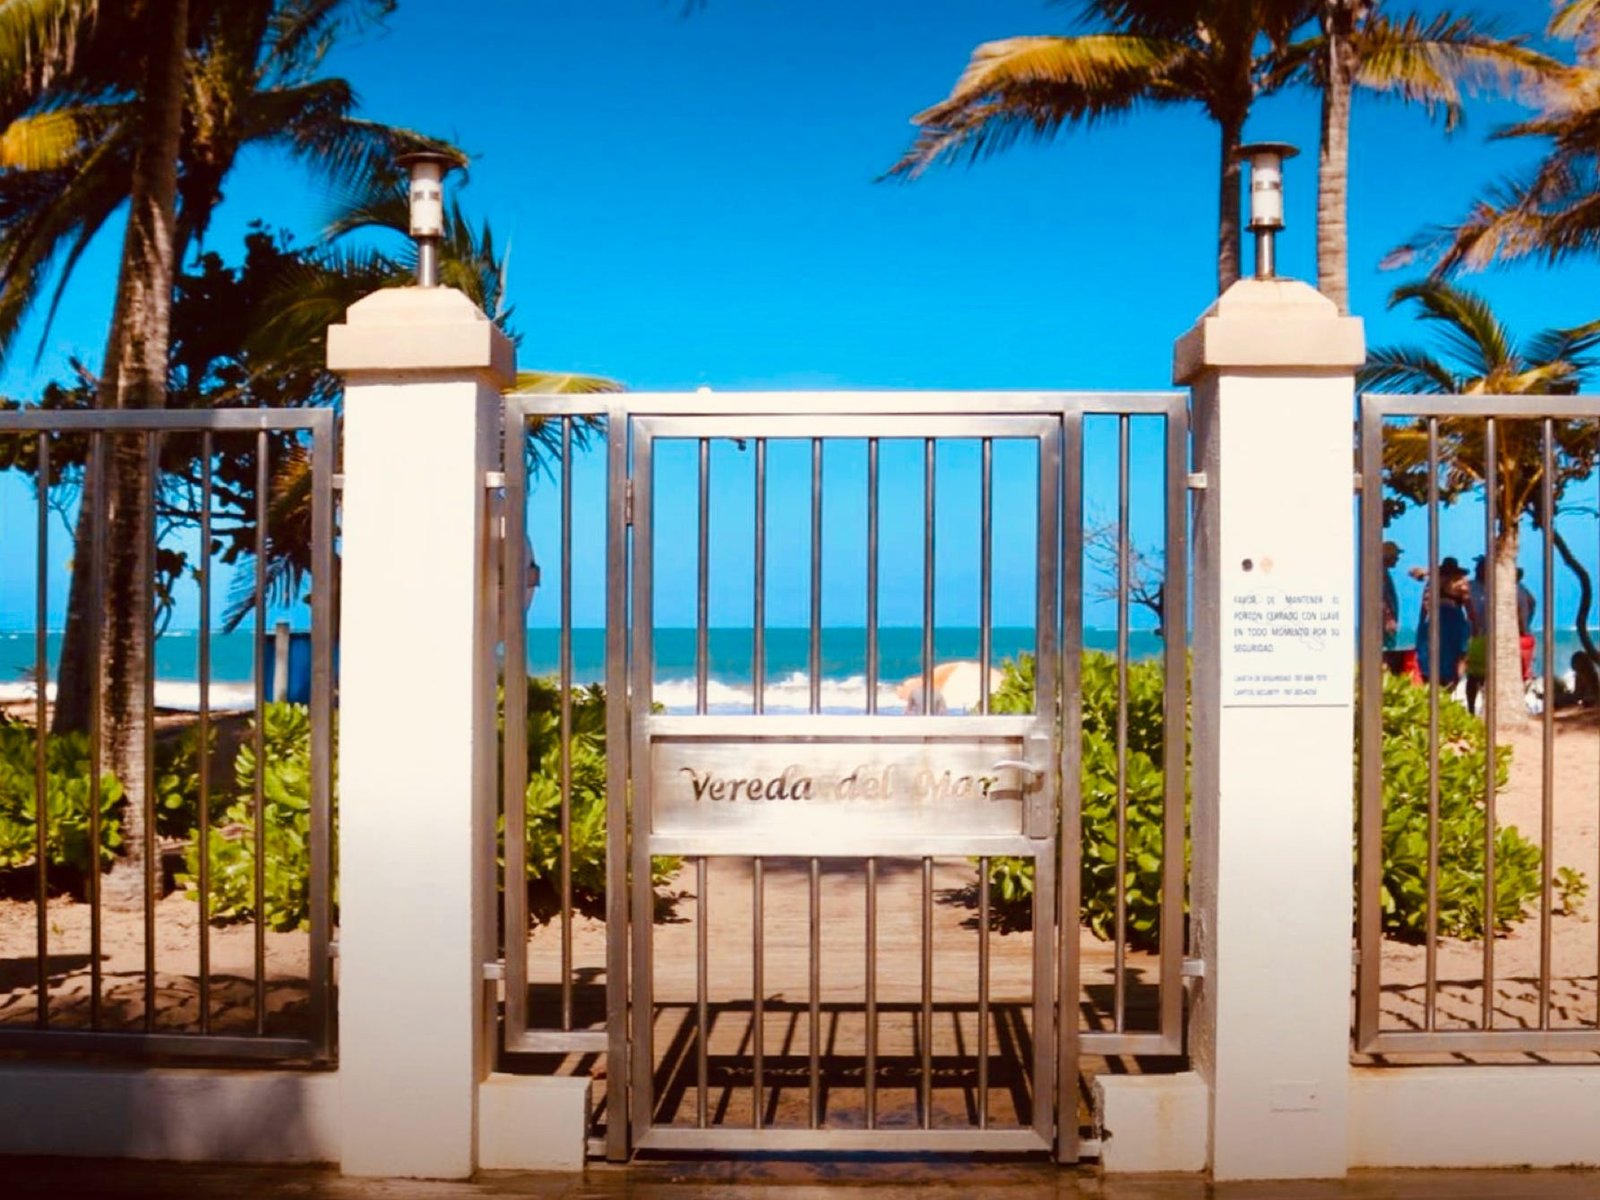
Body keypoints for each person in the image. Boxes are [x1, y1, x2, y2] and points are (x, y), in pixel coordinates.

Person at [1416, 562, 1472, 690]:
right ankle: (1450, 682)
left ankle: (1441, 682)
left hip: (1441, 619)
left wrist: (1422, 624)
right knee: (1453, 655)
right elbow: (1469, 606)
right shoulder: (1459, 584)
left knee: (1439, 654)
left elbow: (1424, 607)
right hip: (1451, 619)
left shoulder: (1433, 584)